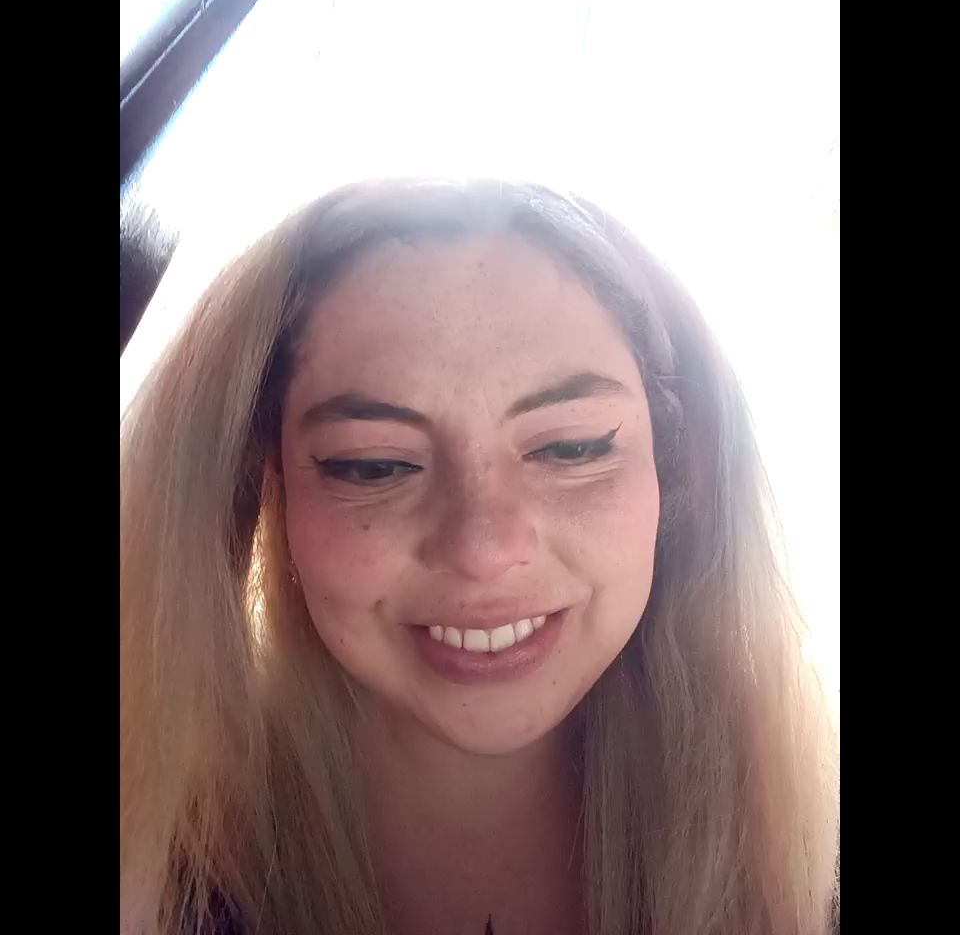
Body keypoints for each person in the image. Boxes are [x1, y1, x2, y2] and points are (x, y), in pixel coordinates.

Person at [120, 178, 839, 935]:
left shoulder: (808, 861)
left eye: (572, 448)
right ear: (266, 489)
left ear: (677, 469)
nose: (483, 551)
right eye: (374, 465)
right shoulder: (156, 877)